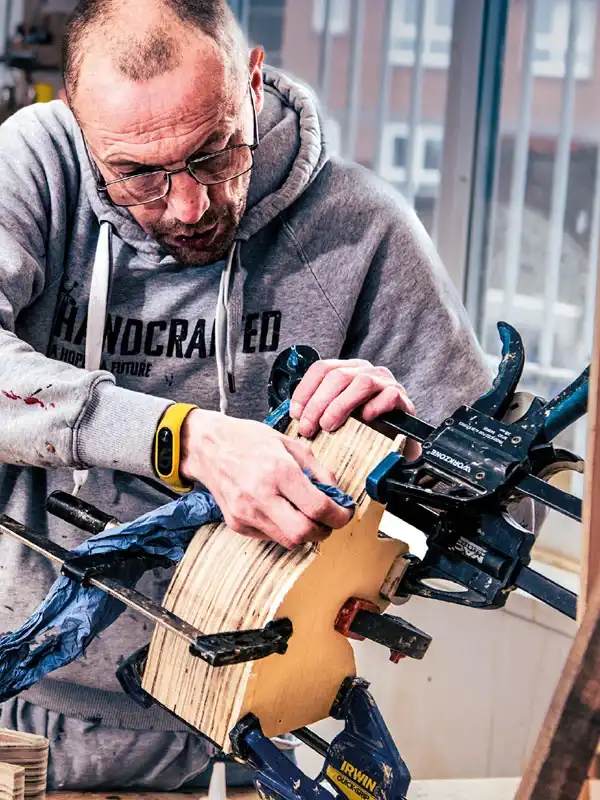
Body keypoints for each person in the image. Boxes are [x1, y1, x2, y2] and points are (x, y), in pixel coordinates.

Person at [0, 0, 491, 791]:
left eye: (212, 151)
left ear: (251, 80)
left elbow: (501, 512)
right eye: (138, 174)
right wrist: (187, 439)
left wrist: (400, 438)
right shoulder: (34, 167)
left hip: (233, 733)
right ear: (82, 130)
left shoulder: (361, 231)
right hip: (18, 708)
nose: (189, 207)